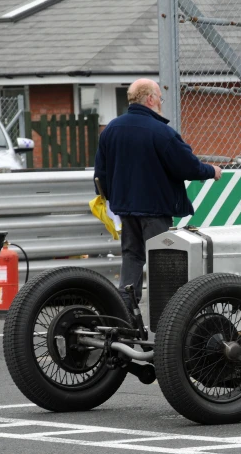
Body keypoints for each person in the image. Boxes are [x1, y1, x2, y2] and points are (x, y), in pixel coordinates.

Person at [94, 78, 222, 309]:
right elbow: (187, 167)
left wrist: (111, 200)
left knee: (132, 255)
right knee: (161, 258)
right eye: (159, 98)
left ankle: (125, 310)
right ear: (151, 99)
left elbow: (100, 174)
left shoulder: (110, 130)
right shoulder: (161, 132)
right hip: (155, 209)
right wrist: (211, 170)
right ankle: (164, 313)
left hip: (124, 209)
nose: (161, 103)